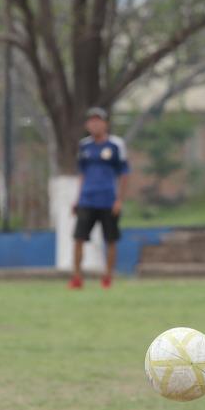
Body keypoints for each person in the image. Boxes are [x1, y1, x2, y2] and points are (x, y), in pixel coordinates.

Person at [70, 106, 130, 289]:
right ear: (87, 124)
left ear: (106, 123)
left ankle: (107, 277)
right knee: (79, 238)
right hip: (87, 199)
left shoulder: (116, 145)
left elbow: (124, 174)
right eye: (91, 121)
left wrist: (119, 199)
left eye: (98, 120)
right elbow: (82, 174)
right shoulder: (84, 146)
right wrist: (77, 198)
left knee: (110, 239)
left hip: (108, 200)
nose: (95, 124)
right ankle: (77, 278)